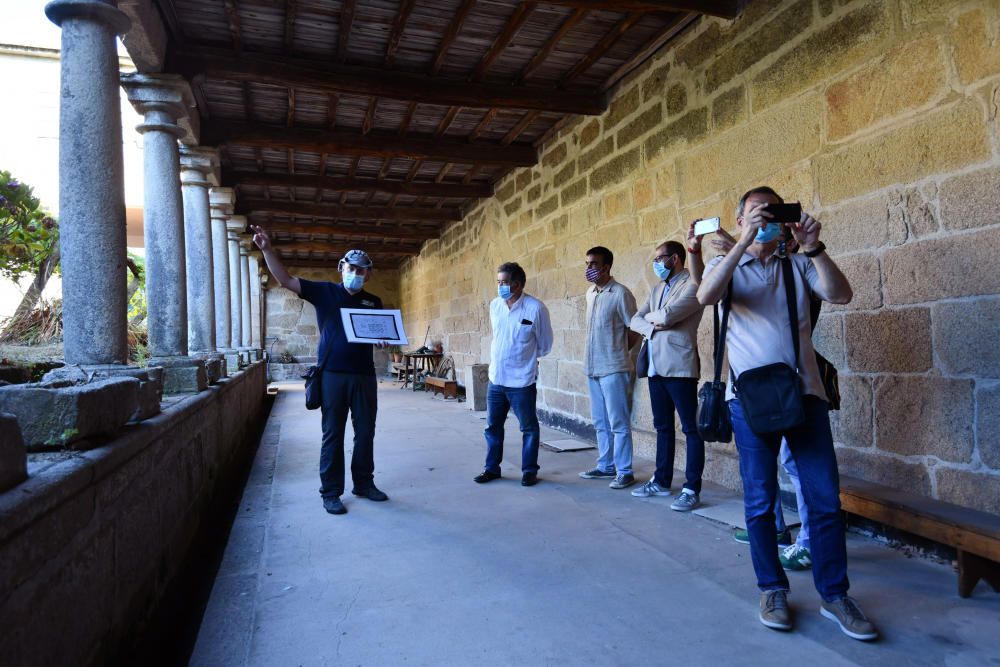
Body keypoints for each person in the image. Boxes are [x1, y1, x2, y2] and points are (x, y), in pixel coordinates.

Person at [696, 187, 877, 640]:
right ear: (739, 220)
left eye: (774, 213)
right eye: (758, 214)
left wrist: (814, 246)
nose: (767, 221)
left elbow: (842, 294)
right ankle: (771, 588)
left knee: (823, 501)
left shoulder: (798, 266)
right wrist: (743, 245)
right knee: (760, 502)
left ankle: (835, 595)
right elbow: (705, 297)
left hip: (806, 397)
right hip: (750, 403)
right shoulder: (728, 267)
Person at [252, 225, 389, 516]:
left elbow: (381, 335)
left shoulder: (373, 302)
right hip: (332, 376)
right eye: (352, 268)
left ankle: (364, 483)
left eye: (362, 270)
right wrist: (266, 249)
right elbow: (286, 280)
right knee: (333, 434)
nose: (357, 273)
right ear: (342, 268)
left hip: (364, 376)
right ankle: (330, 492)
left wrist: (383, 339)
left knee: (365, 433)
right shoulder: (325, 292)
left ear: (369, 274)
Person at [628, 237, 706, 511]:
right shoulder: (658, 288)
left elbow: (668, 316)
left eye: (660, 259)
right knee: (662, 426)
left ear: (675, 259)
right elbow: (635, 319)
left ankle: (691, 488)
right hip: (654, 366)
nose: (656, 264)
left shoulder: (694, 283)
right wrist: (652, 324)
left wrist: (656, 319)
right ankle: (661, 481)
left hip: (680, 366)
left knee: (691, 428)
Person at [475, 262, 553, 486]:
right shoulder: (495, 305)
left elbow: (545, 344)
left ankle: (529, 470)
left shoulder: (535, 308)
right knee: (492, 427)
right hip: (497, 379)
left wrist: (525, 359)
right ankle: (491, 468)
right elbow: (499, 337)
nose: (500, 287)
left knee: (528, 427)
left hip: (522, 381)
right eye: (498, 282)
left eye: (504, 283)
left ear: (518, 284)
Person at [577, 246, 639, 490]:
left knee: (618, 422)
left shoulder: (621, 293)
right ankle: (606, 466)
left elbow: (634, 328)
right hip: (592, 367)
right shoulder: (590, 293)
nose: (589, 268)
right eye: (587, 263)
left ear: (606, 267)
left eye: (593, 264)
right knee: (600, 421)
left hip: (614, 367)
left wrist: (619, 350)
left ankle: (625, 470)